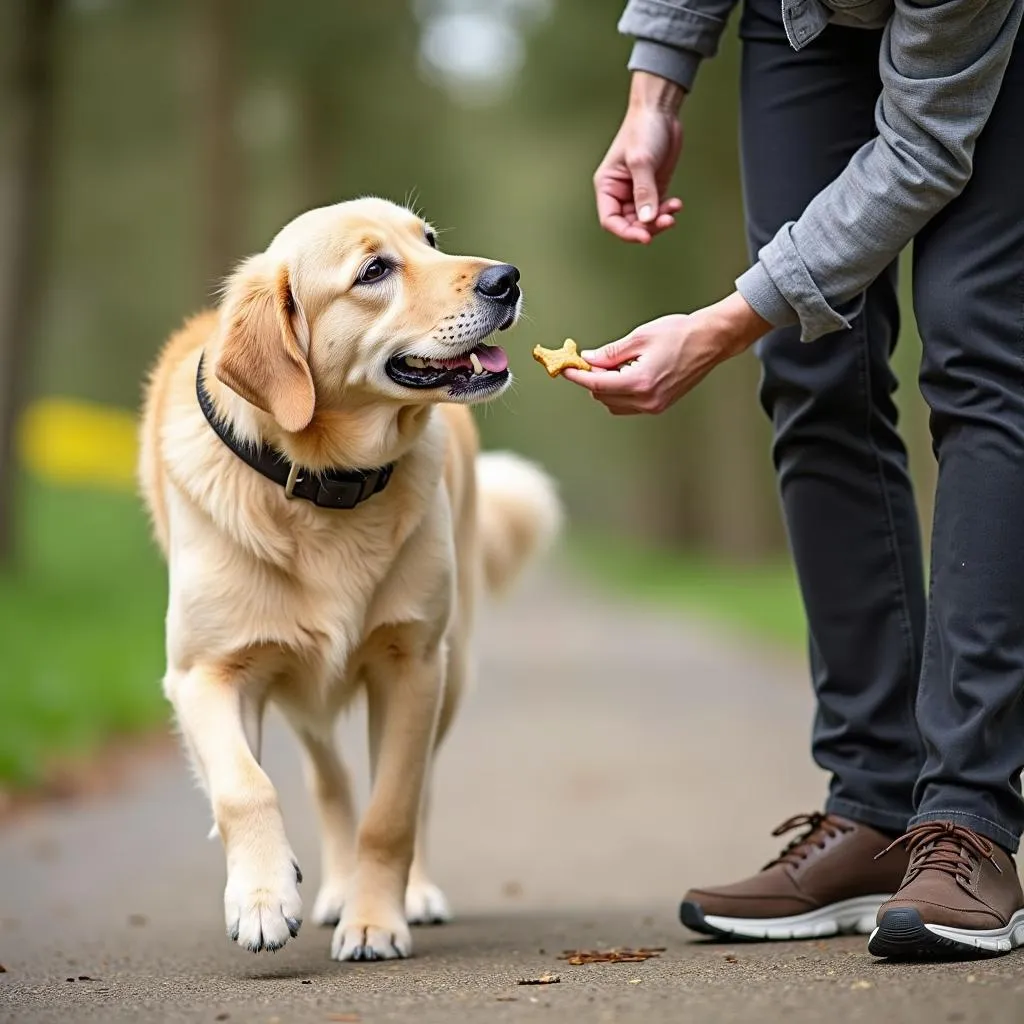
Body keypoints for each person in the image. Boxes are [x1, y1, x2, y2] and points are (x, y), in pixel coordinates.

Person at [563, 0, 1024, 961]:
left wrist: (724, 321)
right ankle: (872, 804)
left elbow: (926, 150)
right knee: (811, 366)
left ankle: (971, 821)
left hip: (977, 40)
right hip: (799, 22)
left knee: (978, 351)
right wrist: (658, 82)